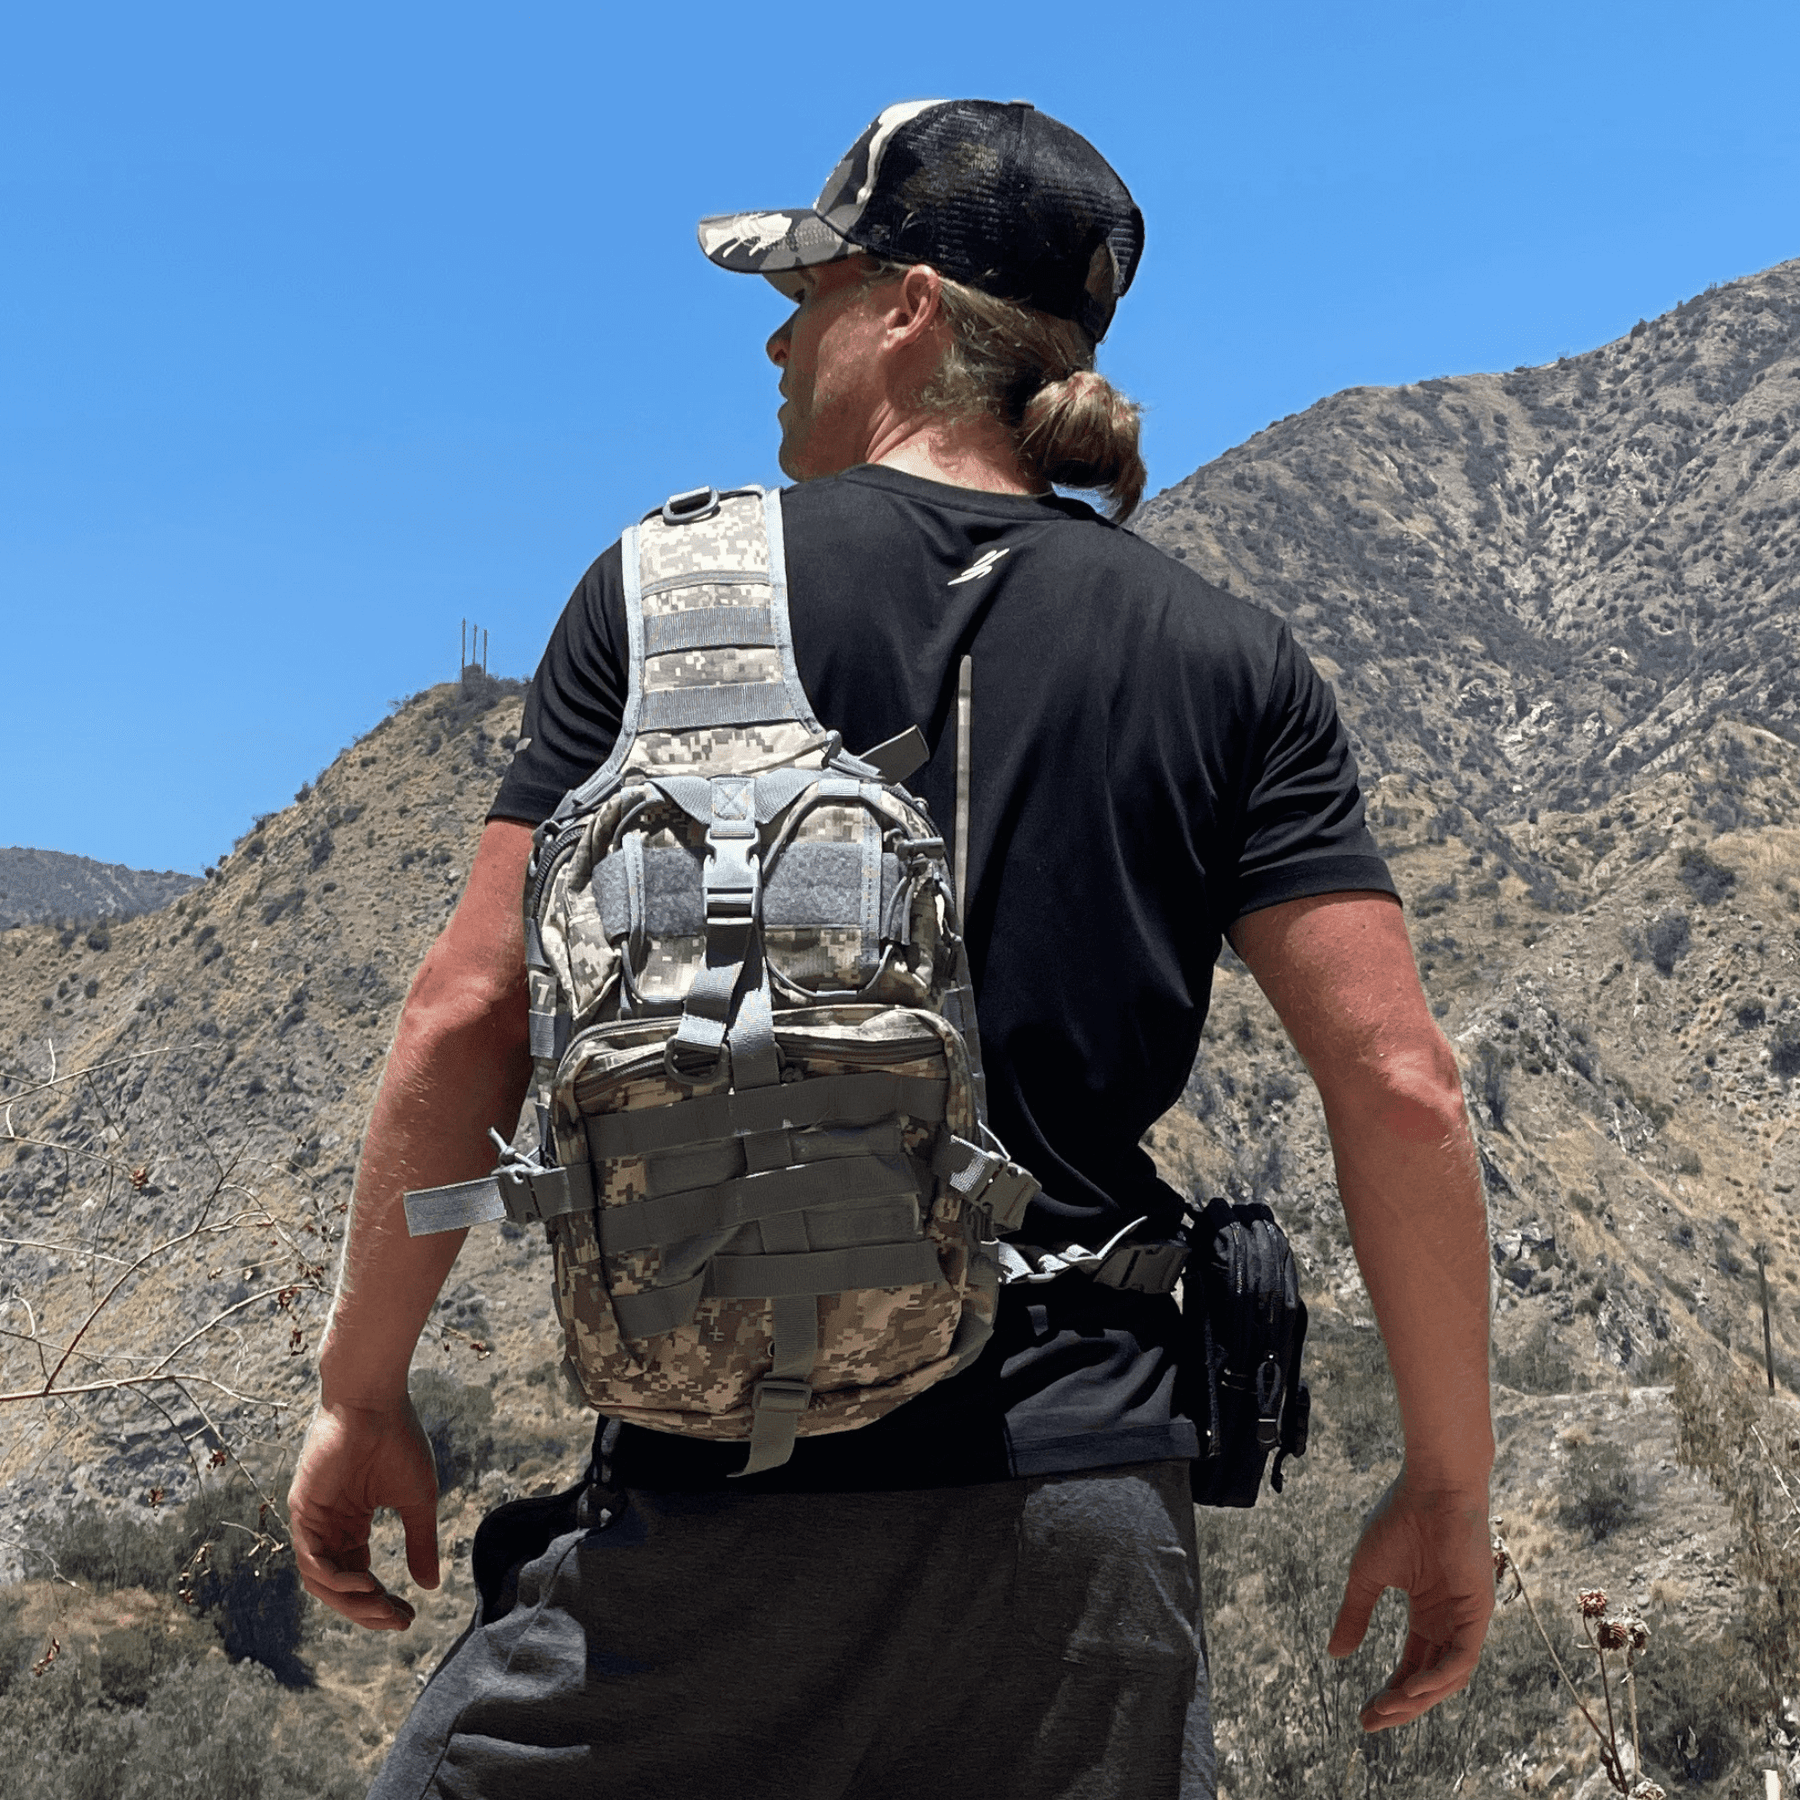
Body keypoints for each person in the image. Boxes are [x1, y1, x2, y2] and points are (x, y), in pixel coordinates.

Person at [289, 99, 1495, 1800]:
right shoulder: (1230, 659)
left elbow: (469, 1009)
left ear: (912, 310)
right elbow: (1401, 1085)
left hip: (712, 1500)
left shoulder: (665, 593)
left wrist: (360, 1394)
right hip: (1076, 1532)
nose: (779, 338)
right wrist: (1449, 1485)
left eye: (811, 290)